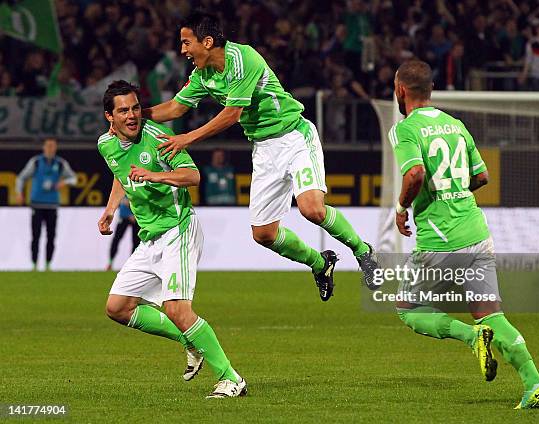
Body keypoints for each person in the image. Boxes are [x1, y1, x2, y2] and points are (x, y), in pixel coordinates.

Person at [140, 11, 378, 300]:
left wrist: (187, 138)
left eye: (186, 42)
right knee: (263, 234)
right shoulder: (203, 75)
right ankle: (320, 263)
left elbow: (232, 114)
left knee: (311, 208)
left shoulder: (243, 58)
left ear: (208, 41)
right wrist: (134, 116)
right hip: (264, 150)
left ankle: (363, 251)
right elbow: (176, 108)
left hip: (294, 136)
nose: (183, 50)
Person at [389, 60, 539, 409]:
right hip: (476, 231)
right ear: (430, 91)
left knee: (408, 307)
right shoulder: (455, 125)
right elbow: (482, 177)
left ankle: (471, 337)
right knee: (492, 314)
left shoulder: (405, 129)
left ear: (401, 90)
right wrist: (453, 192)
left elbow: (415, 174)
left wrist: (402, 208)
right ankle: (536, 383)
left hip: (439, 239)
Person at [97, 80, 246, 399]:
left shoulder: (159, 139)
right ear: (110, 117)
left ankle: (231, 377)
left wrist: (155, 175)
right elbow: (120, 171)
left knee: (177, 309)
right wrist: (111, 209)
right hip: (150, 237)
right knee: (118, 307)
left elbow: (193, 176)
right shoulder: (106, 144)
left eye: (136, 107)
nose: (133, 115)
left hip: (179, 228)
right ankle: (189, 340)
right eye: (123, 110)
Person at [15, 138, 77, 271]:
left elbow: (73, 178)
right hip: (37, 204)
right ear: (44, 147)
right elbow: (22, 177)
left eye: (52, 146)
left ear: (55, 148)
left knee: (51, 236)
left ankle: (48, 264)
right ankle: (34, 264)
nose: (50, 148)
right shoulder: (36, 162)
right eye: (48, 146)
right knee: (35, 236)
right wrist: (19, 193)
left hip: (52, 205)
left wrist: (63, 183)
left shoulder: (60, 163)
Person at [106, 196, 140, 271]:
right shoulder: (124, 186)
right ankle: (110, 262)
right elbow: (123, 201)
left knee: (136, 241)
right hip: (124, 216)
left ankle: (132, 264)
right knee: (117, 239)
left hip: (137, 216)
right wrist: (129, 214)